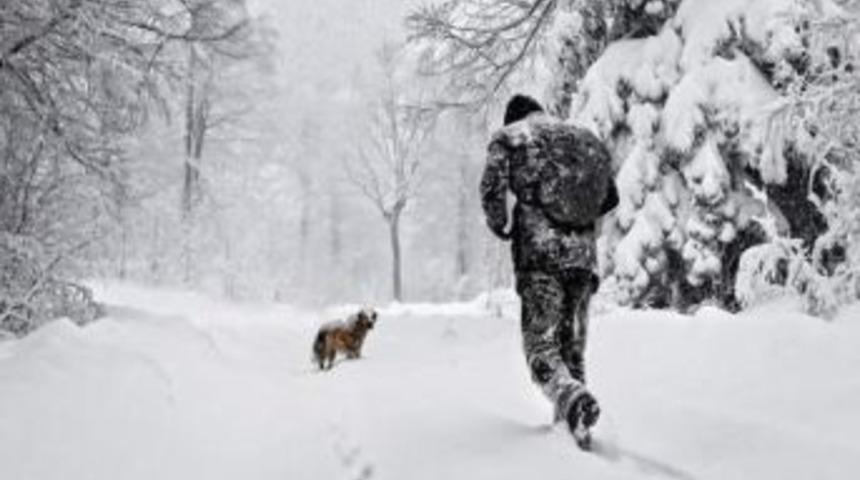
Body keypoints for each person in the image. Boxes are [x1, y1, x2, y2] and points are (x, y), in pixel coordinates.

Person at [480, 94, 618, 448]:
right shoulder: (583, 137)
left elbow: (491, 187)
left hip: (540, 256)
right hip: (583, 260)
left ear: (514, 117)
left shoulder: (512, 136)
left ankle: (571, 401)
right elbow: (609, 198)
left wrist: (501, 224)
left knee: (541, 347)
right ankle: (574, 428)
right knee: (571, 350)